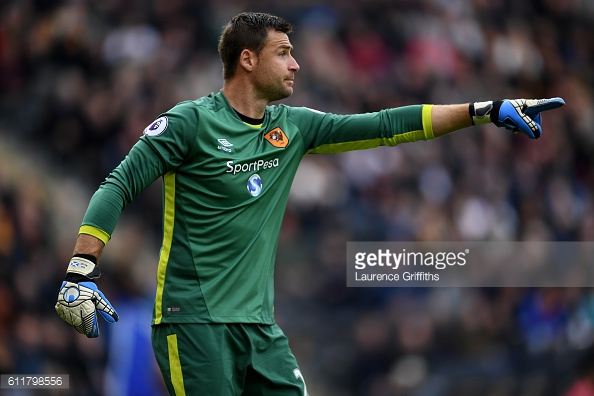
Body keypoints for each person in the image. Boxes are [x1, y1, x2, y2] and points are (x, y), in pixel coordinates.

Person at [54, 11, 565, 396]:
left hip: (259, 327)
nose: (296, 62)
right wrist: (80, 271)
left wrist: (485, 110)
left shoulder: (293, 127)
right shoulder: (189, 123)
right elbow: (117, 185)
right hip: (193, 324)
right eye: (283, 52)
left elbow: (388, 125)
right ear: (247, 60)